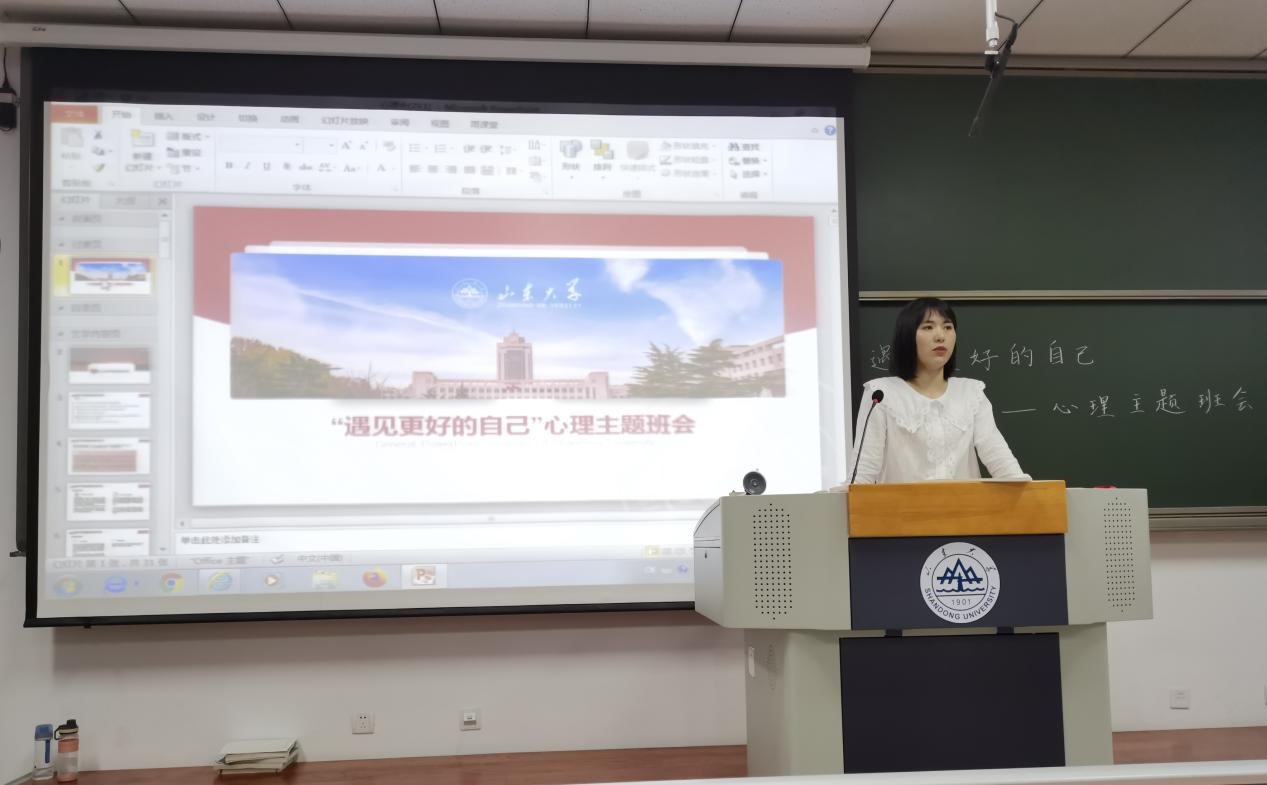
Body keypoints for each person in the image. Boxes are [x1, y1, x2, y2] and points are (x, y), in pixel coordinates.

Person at [850, 297, 1028, 484]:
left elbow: (997, 454)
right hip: (902, 504)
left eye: (948, 327)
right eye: (928, 327)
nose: (940, 336)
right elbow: (864, 471)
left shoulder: (971, 393)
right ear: (907, 336)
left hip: (964, 503)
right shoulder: (881, 394)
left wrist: (1026, 492)